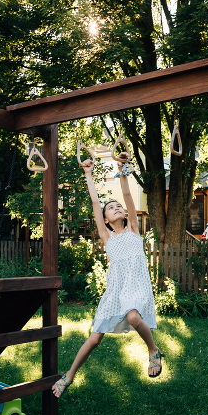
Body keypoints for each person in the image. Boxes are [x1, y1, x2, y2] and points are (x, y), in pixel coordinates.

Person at [52, 152, 163, 398]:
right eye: (110, 208)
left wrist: (122, 167)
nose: (116, 208)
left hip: (137, 286)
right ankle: (68, 376)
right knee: (93, 340)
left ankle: (153, 350)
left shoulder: (134, 229)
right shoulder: (107, 236)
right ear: (105, 219)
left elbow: (126, 195)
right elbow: (94, 203)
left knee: (134, 317)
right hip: (115, 291)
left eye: (118, 207)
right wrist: (88, 173)